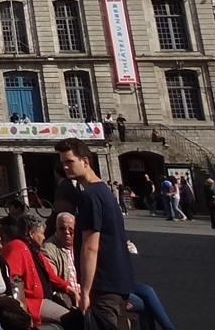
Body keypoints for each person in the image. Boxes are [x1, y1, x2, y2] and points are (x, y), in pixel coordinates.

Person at [57, 138, 131, 330]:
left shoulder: (89, 196)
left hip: (102, 284)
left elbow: (90, 247)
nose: (65, 167)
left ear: (85, 161)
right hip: (117, 282)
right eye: (63, 163)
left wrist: (85, 291)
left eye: (70, 162)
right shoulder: (104, 192)